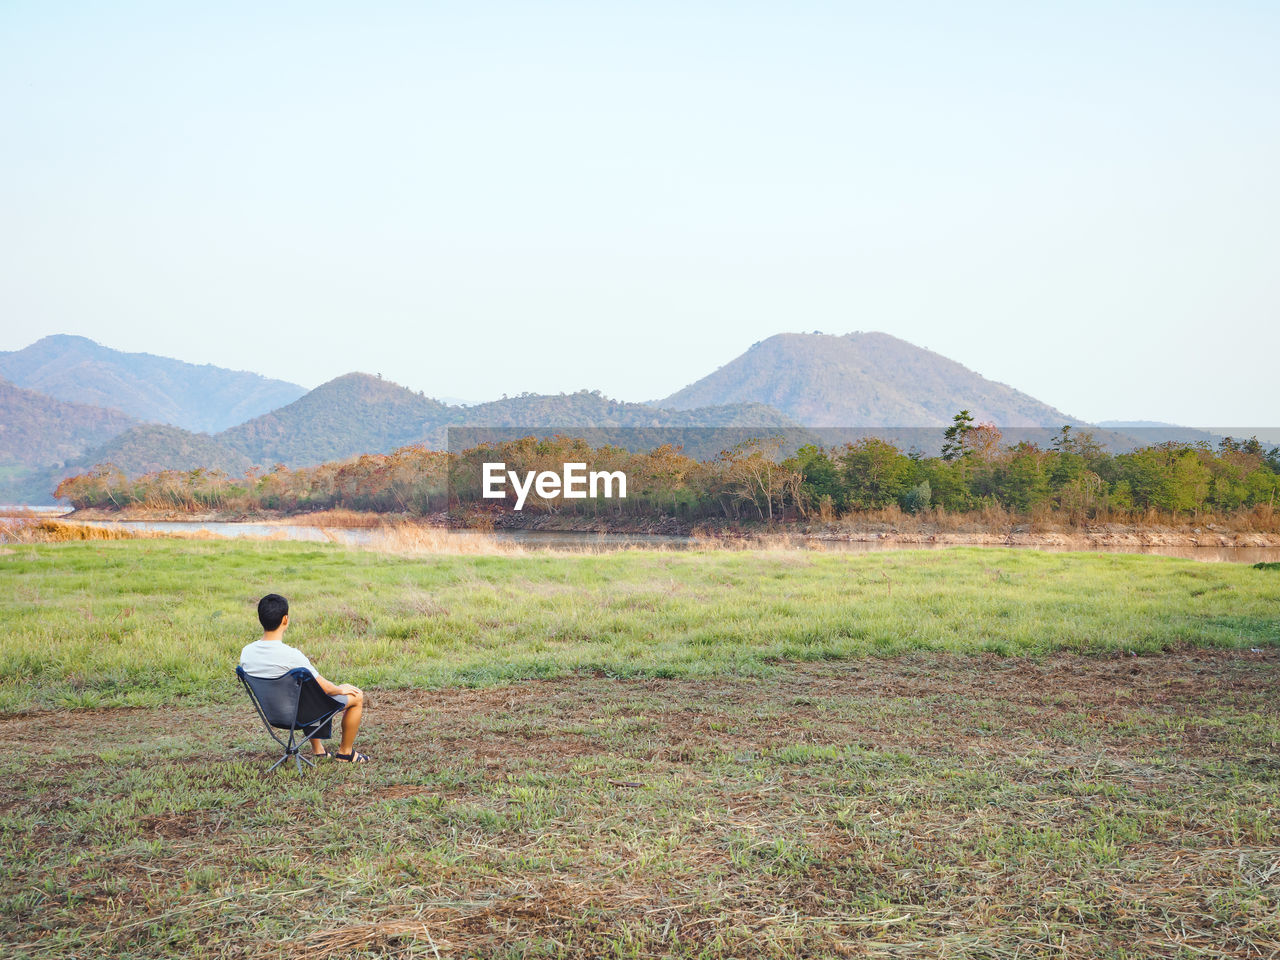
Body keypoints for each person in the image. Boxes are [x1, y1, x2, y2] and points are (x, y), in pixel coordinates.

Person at [239, 593, 369, 763]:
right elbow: (327, 690)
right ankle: (346, 753)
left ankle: (318, 749)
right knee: (356, 695)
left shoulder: (246, 652)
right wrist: (341, 688)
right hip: (299, 715)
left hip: (273, 714)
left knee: (305, 691)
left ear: (260, 619)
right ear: (285, 619)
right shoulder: (291, 655)